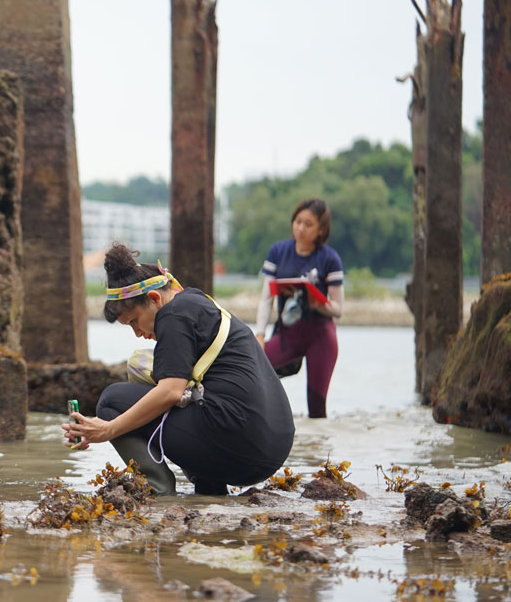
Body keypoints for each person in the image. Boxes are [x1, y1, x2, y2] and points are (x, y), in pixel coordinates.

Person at [63, 245, 294, 496]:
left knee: (111, 401)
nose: (138, 333)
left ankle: (158, 489)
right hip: (271, 448)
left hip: (243, 448)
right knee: (148, 373)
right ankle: (209, 492)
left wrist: (107, 429)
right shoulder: (196, 303)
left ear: (154, 298)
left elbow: (171, 392)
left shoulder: (173, 315)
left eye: (133, 321)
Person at [254, 197, 344, 418]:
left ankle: (316, 450)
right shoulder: (279, 251)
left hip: (320, 336)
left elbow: (338, 309)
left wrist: (318, 303)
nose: (301, 228)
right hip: (288, 334)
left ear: (321, 230)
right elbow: (266, 299)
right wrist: (260, 333)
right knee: (253, 370)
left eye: (308, 224)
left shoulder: (330, 258)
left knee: (316, 405)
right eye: (298, 222)